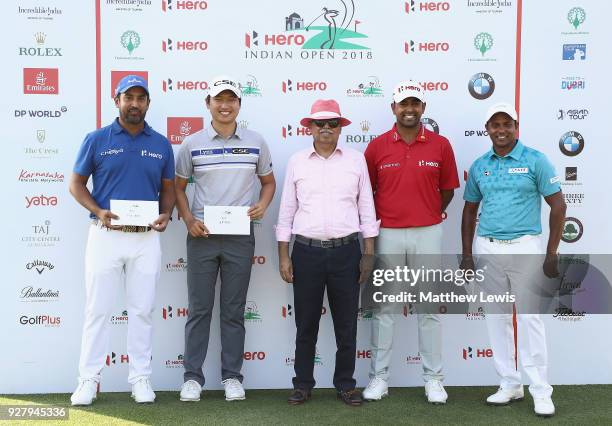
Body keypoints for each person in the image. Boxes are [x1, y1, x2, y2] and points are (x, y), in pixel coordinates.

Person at [69, 75, 176, 405]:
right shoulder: (97, 139)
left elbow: (169, 189)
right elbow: (76, 184)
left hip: (145, 239)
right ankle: (88, 380)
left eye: (140, 98)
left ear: (148, 104)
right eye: (128, 97)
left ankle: (141, 378)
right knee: (97, 310)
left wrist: (165, 214)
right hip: (105, 235)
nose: (134, 103)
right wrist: (98, 211)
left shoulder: (160, 143)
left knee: (142, 311)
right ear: (116, 101)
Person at [460, 102, 566, 417]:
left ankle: (540, 390)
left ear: (516, 127)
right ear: (487, 129)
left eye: (507, 124)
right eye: (495, 125)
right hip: (488, 247)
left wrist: (551, 252)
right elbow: (469, 210)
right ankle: (509, 382)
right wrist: (467, 254)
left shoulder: (536, 160)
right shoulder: (480, 165)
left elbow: (558, 205)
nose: (501, 130)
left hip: (526, 247)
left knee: (530, 318)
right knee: (497, 317)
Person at [175, 76, 276, 402]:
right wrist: (188, 219)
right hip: (202, 235)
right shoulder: (192, 144)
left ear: (238, 105)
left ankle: (232, 377)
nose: (225, 105)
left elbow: (269, 182)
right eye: (219, 99)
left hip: (239, 236)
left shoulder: (256, 142)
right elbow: (177, 187)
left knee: (233, 311)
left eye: (231, 99)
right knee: (199, 309)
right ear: (208, 103)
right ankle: (193, 378)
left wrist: (262, 204)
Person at [276, 99, 379, 406]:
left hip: (347, 251)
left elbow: (365, 207)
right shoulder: (297, 161)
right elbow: (286, 211)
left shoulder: (356, 161)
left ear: (340, 128)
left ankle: (346, 384)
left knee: (346, 324)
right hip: (305, 252)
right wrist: (284, 255)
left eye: (332, 123)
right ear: (309, 127)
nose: (325, 129)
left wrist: (368, 253)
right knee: (305, 324)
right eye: (319, 124)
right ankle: (303, 384)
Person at [362, 81, 459, 404]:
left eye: (415, 104)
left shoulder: (440, 145)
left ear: (423, 109)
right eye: (404, 104)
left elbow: (446, 191)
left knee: (428, 308)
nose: (409, 109)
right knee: (386, 308)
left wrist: (427, 213)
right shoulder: (376, 147)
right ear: (393, 108)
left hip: (428, 232)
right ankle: (379, 378)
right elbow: (366, 195)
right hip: (387, 233)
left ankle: (433, 379)